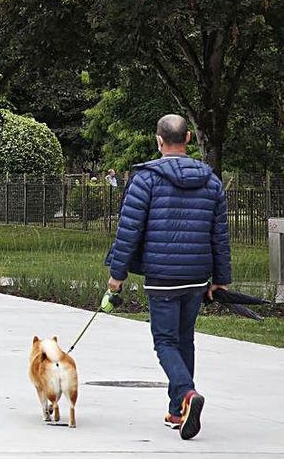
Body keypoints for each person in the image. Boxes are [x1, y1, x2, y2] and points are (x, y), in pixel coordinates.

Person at [106, 114, 231, 441]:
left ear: (159, 141)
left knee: (165, 341)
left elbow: (128, 231)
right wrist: (221, 278)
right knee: (184, 338)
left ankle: (187, 394)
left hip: (162, 276)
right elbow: (220, 235)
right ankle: (178, 411)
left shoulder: (146, 179)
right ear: (188, 138)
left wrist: (117, 276)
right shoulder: (212, 181)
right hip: (196, 276)